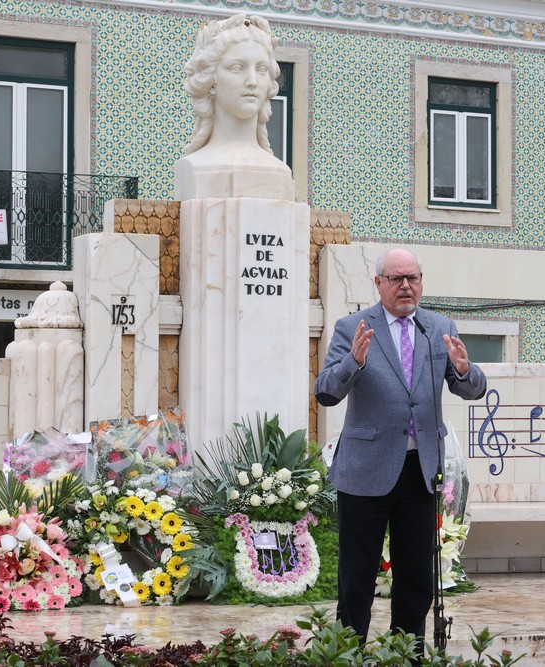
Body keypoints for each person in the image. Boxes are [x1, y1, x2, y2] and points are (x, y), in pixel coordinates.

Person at [315, 248, 487, 644]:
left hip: (420, 470)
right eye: (396, 279)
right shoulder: (352, 327)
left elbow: (472, 389)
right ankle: (347, 653)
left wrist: (464, 370)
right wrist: (352, 363)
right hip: (365, 470)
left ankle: (405, 653)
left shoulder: (438, 327)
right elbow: (325, 392)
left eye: (413, 278)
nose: (406, 286)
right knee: (357, 576)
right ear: (379, 284)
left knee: (416, 579)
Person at [175, 14, 291, 200]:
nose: (252, 81)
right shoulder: (195, 165)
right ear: (211, 80)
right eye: (237, 68)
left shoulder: (280, 170)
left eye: (261, 69)